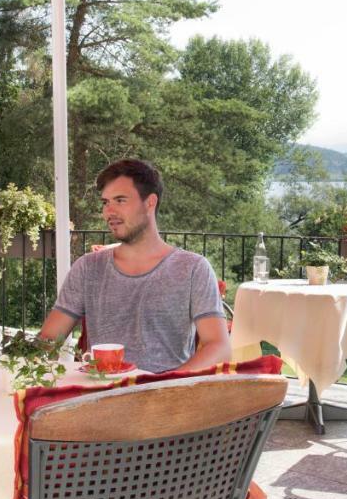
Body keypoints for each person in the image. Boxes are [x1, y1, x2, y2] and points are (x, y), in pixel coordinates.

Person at [37, 158, 231, 371]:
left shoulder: (193, 268)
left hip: (164, 396)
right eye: (105, 202)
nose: (109, 212)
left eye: (120, 200)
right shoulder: (87, 268)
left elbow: (220, 346)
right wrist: (18, 363)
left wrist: (161, 387)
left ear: (150, 202)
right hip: (101, 395)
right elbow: (48, 339)